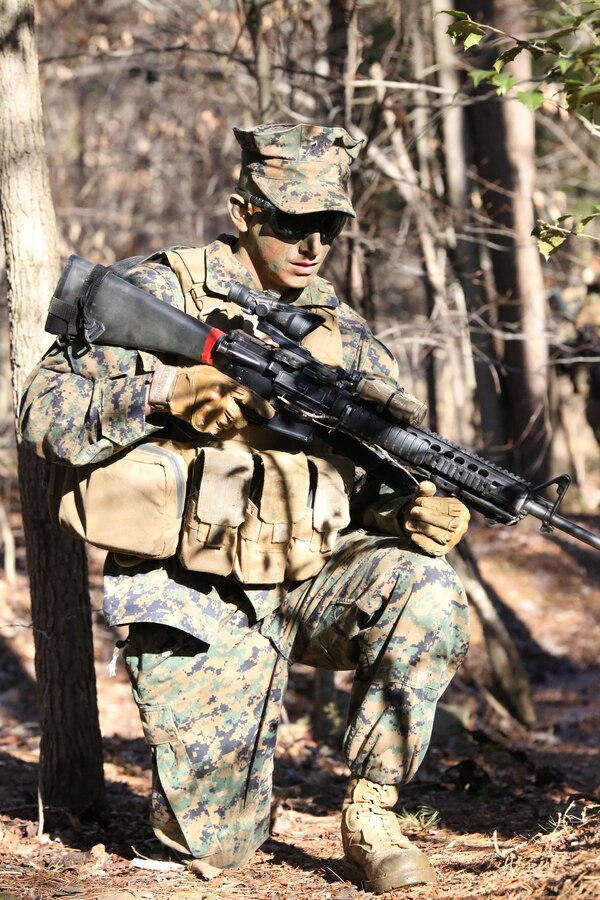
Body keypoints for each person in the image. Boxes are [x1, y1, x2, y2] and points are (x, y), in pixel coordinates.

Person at [19, 123, 471, 895]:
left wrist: (410, 515)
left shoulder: (346, 339)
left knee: (427, 591)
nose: (313, 244)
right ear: (243, 209)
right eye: (293, 222)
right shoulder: (160, 292)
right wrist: (164, 392)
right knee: (217, 851)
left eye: (328, 226)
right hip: (191, 590)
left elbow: (382, 475)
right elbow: (42, 417)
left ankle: (371, 814)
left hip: (309, 576)